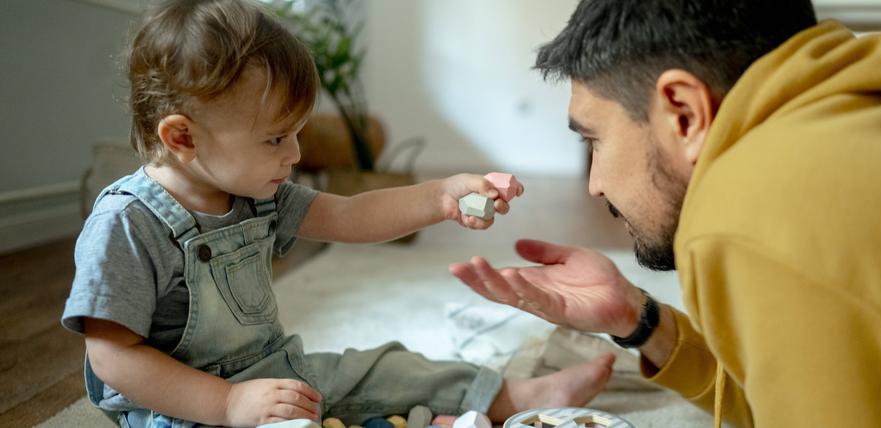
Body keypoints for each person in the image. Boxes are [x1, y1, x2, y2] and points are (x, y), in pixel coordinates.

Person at [60, 1, 616, 427]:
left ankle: (513, 397)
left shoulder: (259, 194)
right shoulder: (127, 225)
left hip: (273, 371)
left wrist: (442, 195)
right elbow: (113, 358)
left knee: (385, 366)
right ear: (182, 136)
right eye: (276, 138)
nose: (296, 154)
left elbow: (353, 216)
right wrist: (228, 403)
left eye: (297, 133)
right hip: (178, 407)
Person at [450, 0, 881, 427]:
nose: (594, 185)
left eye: (595, 141)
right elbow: (790, 397)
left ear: (685, 113)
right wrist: (638, 319)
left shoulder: (755, 211)